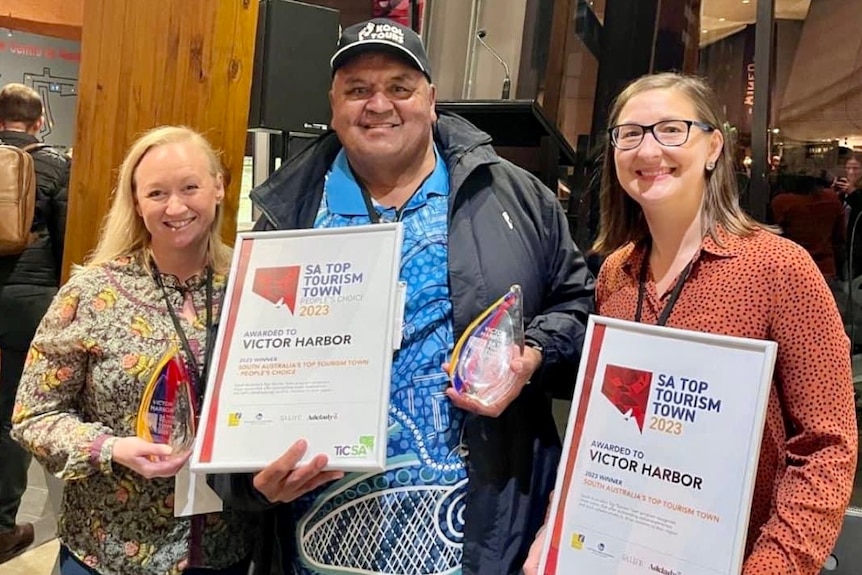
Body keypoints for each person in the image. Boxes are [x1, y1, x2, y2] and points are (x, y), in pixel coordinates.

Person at [218, 17, 595, 575]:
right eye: (358, 89)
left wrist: (532, 353)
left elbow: (576, 305)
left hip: (474, 533)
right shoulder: (286, 216)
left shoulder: (513, 198)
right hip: (318, 540)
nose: (379, 104)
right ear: (333, 103)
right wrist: (248, 480)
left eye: (399, 87)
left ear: (431, 99)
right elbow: (242, 368)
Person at [524, 72, 857, 575]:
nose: (648, 149)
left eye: (671, 129)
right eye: (630, 134)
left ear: (713, 147)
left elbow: (827, 448)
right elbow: (601, 428)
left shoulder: (779, 269)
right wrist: (557, 530)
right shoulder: (616, 275)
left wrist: (771, 569)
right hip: (615, 552)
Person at [11, 126, 335, 575]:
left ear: (219, 186)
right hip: (111, 552)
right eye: (157, 193)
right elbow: (34, 417)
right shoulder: (92, 293)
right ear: (137, 202)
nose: (176, 207)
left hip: (222, 549)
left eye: (190, 187)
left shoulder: (258, 286)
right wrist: (111, 447)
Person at [0, 82, 70, 564]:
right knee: (12, 413)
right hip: (28, 302)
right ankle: (2, 528)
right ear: (39, 118)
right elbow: (67, 239)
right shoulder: (55, 164)